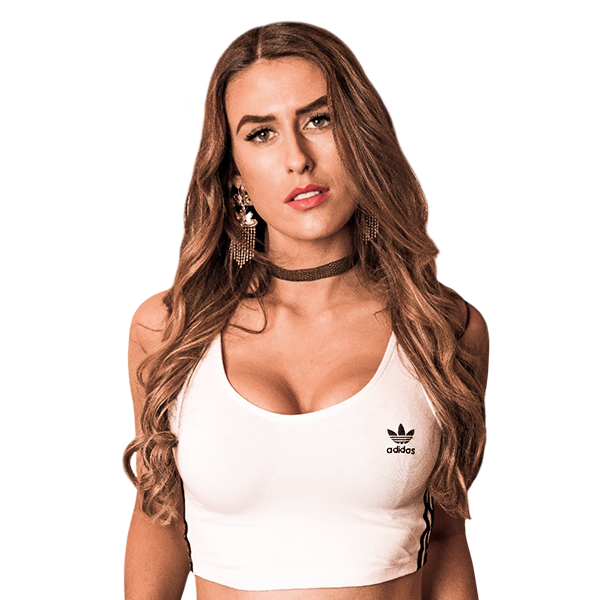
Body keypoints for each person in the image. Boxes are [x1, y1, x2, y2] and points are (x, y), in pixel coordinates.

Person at [122, 20, 489, 600]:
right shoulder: (170, 330)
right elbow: (159, 520)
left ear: (361, 136)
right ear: (234, 172)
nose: (298, 158)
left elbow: (445, 536)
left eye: (320, 120)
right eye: (261, 133)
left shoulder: (439, 327)